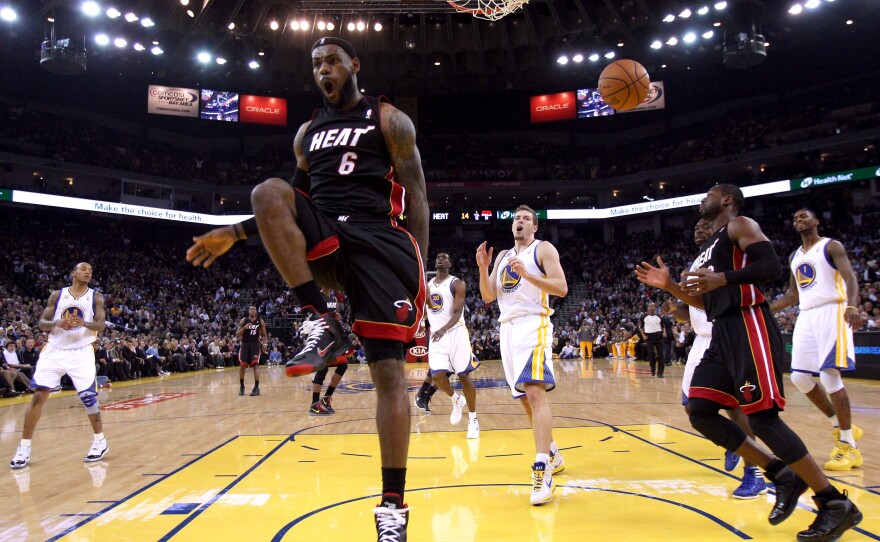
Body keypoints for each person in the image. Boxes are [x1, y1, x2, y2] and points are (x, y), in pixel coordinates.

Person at [186, 36, 428, 540]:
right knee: (267, 191)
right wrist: (235, 232)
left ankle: (392, 507)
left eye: (332, 60)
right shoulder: (307, 133)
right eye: (316, 63)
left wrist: (418, 274)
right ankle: (321, 321)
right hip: (330, 238)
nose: (324, 68)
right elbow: (288, 202)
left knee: (389, 375)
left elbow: (419, 198)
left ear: (353, 66)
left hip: (382, 245)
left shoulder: (390, 120)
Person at [635, 185, 862, 540]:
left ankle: (834, 503)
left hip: (748, 325)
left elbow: (770, 266)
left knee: (762, 418)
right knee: (700, 410)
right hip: (721, 330)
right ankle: (780, 472)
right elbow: (704, 305)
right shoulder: (709, 248)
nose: (701, 198)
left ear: (726, 199)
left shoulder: (739, 225)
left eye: (707, 193)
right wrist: (670, 287)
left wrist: (723, 278)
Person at [662, 218, 767, 499]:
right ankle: (734, 441)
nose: (699, 229)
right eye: (695, 227)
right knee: (692, 407)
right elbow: (691, 311)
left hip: (726, 336)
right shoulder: (693, 267)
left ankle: (754, 473)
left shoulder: (725, 259)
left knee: (737, 408)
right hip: (701, 342)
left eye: (706, 226)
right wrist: (676, 309)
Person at [477, 205, 568, 506]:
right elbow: (490, 296)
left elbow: (561, 287)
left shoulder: (543, 249)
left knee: (535, 392)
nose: (520, 221)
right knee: (525, 399)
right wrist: (482, 267)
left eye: (526, 219)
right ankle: (552, 450)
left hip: (534, 323)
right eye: (517, 218)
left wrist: (527, 275)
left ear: (534, 228)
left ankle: (542, 469)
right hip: (507, 329)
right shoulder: (502, 256)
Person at [769, 208, 864, 471]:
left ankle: (848, 447)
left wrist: (853, 305)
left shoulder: (831, 246)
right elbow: (792, 295)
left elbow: (849, 277)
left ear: (816, 221)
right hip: (807, 314)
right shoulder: (795, 255)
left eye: (803, 216)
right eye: (795, 218)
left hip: (833, 309)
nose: (798, 220)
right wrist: (764, 309)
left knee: (830, 376)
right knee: (799, 377)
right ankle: (842, 425)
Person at [10, 262, 109, 469]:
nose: (88, 272)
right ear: (73, 273)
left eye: (90, 270)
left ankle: (100, 441)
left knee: (88, 397)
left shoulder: (96, 296)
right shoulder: (57, 295)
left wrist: (83, 323)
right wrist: (57, 323)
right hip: (55, 349)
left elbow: (100, 325)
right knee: (39, 395)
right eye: (83, 270)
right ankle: (24, 446)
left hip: (81, 351)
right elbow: (42, 323)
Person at [425, 252, 480, 439]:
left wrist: (443, 329)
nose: (440, 259)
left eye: (444, 257)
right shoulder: (428, 286)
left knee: (464, 375)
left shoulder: (457, 284)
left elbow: (457, 313)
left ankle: (473, 419)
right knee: (438, 376)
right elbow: (430, 308)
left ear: (450, 263)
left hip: (455, 332)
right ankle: (456, 400)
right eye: (438, 257)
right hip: (436, 336)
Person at [236, 306, 267, 396]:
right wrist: (245, 328)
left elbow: (264, 335)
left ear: (256, 311)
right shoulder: (243, 321)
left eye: (254, 309)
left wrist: (265, 343)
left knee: (255, 365)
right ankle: (242, 386)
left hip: (255, 345)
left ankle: (256, 388)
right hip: (245, 344)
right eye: (251, 309)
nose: (252, 310)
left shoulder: (260, 321)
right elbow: (237, 334)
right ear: (248, 311)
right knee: (242, 366)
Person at [640, 302, 665, 377]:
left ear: (655, 307)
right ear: (648, 308)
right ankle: (652, 370)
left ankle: (660, 372)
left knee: (661, 355)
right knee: (651, 354)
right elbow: (641, 327)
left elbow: (663, 326)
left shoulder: (659, 316)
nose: (651, 308)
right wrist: (643, 335)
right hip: (649, 337)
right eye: (650, 306)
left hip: (658, 336)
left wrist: (664, 332)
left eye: (653, 306)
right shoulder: (644, 316)